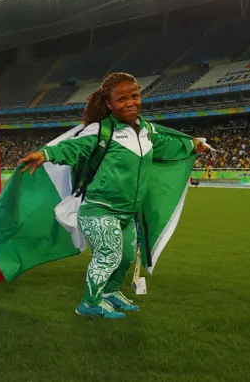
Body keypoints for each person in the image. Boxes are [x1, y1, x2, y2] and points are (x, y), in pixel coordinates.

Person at [18, 73, 207, 319]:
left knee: (126, 257)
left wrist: (192, 145)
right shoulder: (100, 130)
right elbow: (73, 147)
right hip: (99, 208)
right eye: (122, 99)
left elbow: (166, 146)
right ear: (109, 104)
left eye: (135, 96)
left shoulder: (147, 130)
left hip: (128, 213)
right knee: (109, 256)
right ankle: (89, 303)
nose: (130, 103)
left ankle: (109, 292)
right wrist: (46, 154)